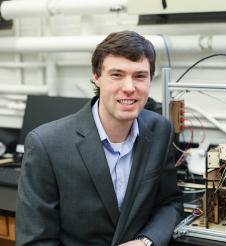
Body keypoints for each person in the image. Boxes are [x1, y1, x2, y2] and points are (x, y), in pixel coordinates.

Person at [16, 30, 183, 246]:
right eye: (117, 75)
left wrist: (146, 242)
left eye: (140, 76)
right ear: (96, 77)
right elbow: (35, 241)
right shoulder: (46, 144)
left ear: (150, 79)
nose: (129, 88)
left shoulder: (160, 130)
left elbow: (169, 203)